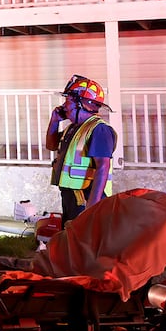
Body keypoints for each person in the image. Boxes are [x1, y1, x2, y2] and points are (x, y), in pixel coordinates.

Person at [45, 75, 117, 225]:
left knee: (85, 241)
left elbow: (103, 167)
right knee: (71, 237)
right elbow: (51, 146)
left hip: (86, 198)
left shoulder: (99, 129)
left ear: (83, 104)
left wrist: (92, 207)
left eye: (68, 101)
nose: (64, 106)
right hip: (72, 196)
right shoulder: (73, 128)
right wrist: (54, 121)